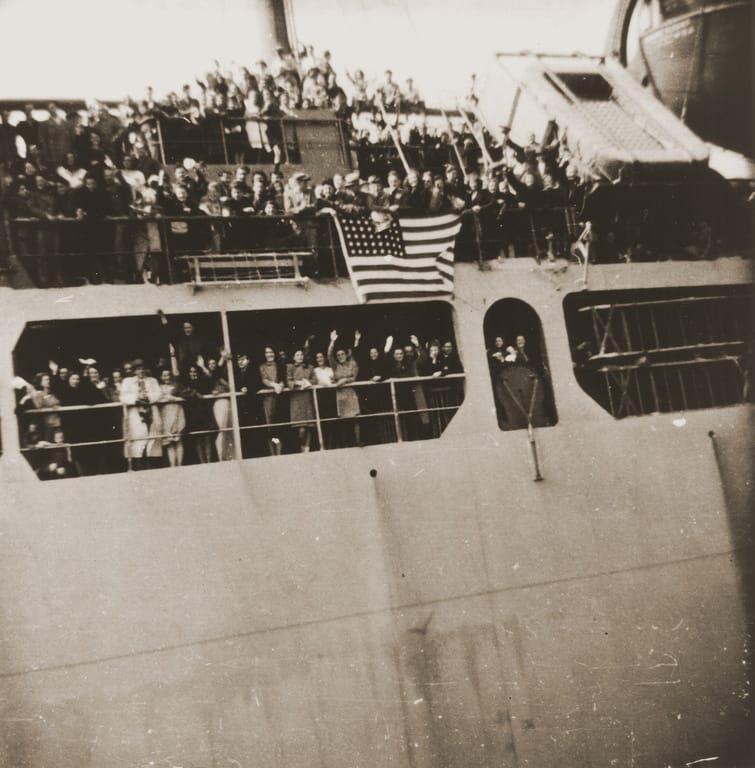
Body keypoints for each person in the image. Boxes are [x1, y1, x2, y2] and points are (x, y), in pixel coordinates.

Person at [119, 359, 163, 469]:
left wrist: (149, 398)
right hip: (135, 414)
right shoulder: (127, 381)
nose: (141, 371)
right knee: (137, 440)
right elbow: (123, 396)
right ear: (134, 371)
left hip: (151, 412)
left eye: (143, 368)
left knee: (152, 440)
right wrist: (136, 399)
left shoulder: (152, 380)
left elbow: (158, 393)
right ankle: (138, 466)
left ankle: (151, 466)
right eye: (138, 369)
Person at [328, 330, 361, 447]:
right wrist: (332, 342)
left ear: (346, 354)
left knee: (355, 418)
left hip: (351, 393)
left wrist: (343, 380)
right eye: (338, 355)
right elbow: (329, 355)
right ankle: (346, 444)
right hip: (341, 396)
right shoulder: (335, 366)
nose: (340, 356)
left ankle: (357, 440)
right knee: (343, 420)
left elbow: (354, 377)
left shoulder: (352, 363)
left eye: (342, 354)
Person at [181, 364, 215, 464]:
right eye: (191, 372)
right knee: (198, 439)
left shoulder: (203, 381)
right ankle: (202, 462)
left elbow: (208, 386)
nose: (193, 374)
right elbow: (184, 393)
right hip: (193, 414)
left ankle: (208, 461)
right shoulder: (186, 383)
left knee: (207, 437)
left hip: (204, 412)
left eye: (195, 372)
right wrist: (195, 393)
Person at [286, 349, 316, 452]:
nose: (300, 356)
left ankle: (307, 448)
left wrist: (307, 382)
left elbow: (314, 379)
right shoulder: (290, 367)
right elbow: (288, 381)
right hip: (296, 399)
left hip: (307, 398)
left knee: (309, 426)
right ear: (294, 357)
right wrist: (298, 383)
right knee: (301, 428)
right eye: (297, 354)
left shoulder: (310, 367)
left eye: (301, 354)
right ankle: (302, 447)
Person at [207, 354, 234, 461]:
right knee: (221, 429)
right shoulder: (209, 376)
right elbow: (208, 385)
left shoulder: (222, 377)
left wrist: (224, 384)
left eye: (214, 363)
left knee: (229, 429)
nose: (212, 365)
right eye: (210, 364)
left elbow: (229, 387)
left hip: (227, 402)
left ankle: (229, 455)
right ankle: (220, 455)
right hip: (217, 404)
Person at [259, 345, 285, 455]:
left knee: (279, 426)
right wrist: (275, 385)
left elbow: (284, 379)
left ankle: (279, 453)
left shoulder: (280, 365)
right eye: (267, 352)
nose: (269, 354)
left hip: (280, 397)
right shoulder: (262, 366)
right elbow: (264, 379)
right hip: (268, 399)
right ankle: (272, 454)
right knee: (269, 426)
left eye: (271, 352)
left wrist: (281, 385)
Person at [158, 368, 186, 467]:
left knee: (178, 439)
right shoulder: (158, 387)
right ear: (161, 377)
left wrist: (173, 398)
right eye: (164, 375)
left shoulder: (176, 386)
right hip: (165, 413)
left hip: (177, 411)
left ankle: (180, 464)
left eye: (168, 375)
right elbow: (157, 398)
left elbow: (184, 397)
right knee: (169, 441)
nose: (167, 377)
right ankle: (173, 465)